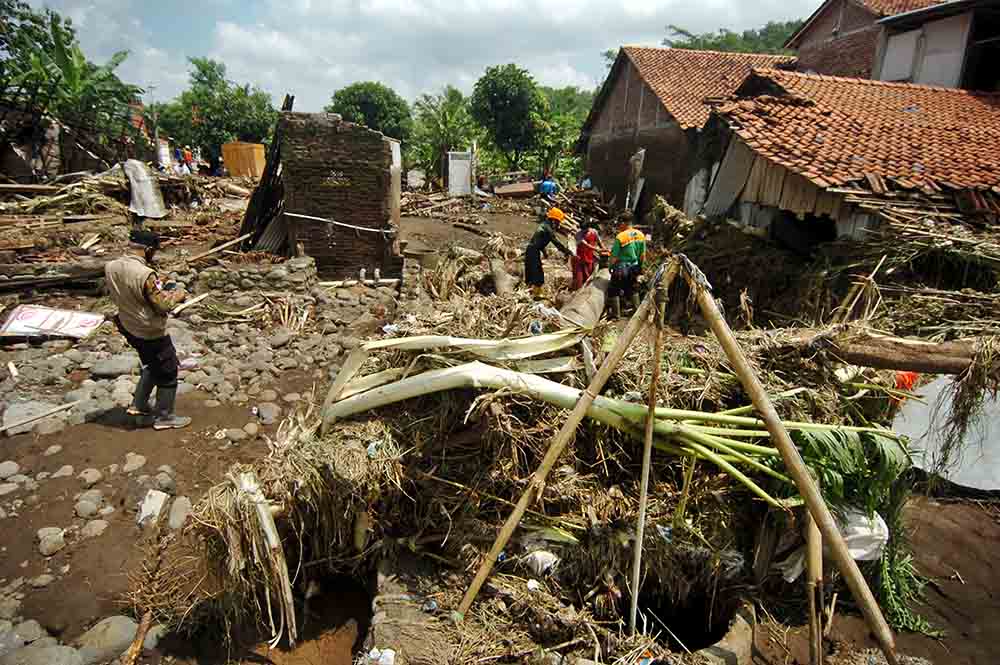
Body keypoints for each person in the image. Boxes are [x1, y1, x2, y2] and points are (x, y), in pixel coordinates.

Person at [105, 230, 191, 430]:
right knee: (168, 370)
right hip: (148, 329)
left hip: (127, 324)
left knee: (151, 364)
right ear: (149, 249)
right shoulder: (145, 274)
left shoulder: (111, 266)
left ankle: (139, 405)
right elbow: (163, 306)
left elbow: (131, 289)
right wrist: (179, 295)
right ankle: (165, 417)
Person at [525, 207, 572, 298]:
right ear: (553, 220)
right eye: (558, 222)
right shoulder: (547, 228)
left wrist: (545, 252)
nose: (558, 224)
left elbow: (540, 240)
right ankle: (535, 294)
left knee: (533, 273)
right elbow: (556, 242)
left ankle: (533, 293)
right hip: (533, 251)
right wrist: (567, 251)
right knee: (537, 275)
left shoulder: (545, 225)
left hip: (533, 250)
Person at [608, 211, 646, 318]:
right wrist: (640, 268)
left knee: (614, 289)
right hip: (634, 266)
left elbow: (614, 256)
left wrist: (610, 267)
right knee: (632, 289)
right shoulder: (641, 235)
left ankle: (616, 315)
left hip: (621, 267)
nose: (619, 226)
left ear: (623, 223)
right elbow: (642, 255)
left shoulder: (621, 236)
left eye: (619, 224)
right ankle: (637, 314)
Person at [572, 221, 604, 290]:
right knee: (579, 279)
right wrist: (597, 250)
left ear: (588, 227)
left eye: (586, 229)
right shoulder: (578, 234)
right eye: (583, 229)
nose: (584, 231)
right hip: (580, 258)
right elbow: (586, 245)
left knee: (589, 275)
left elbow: (600, 242)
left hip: (589, 257)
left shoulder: (594, 232)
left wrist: (604, 249)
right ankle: (577, 291)